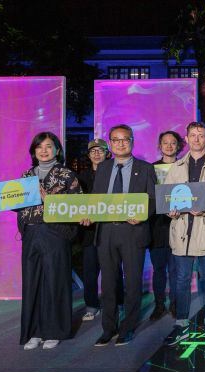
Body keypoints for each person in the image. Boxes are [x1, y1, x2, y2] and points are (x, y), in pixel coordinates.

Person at [86, 124, 156, 347]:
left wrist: (142, 215)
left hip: (132, 231)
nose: (121, 143)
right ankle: (108, 329)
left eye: (125, 139)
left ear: (132, 141)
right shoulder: (103, 168)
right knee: (108, 283)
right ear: (110, 144)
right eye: (116, 140)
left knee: (133, 282)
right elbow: (95, 199)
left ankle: (128, 328)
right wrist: (89, 215)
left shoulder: (145, 168)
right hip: (106, 231)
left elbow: (153, 199)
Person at [163, 122, 205, 346]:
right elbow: (167, 199)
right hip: (182, 231)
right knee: (181, 280)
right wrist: (170, 211)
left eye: (201, 135)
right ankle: (181, 323)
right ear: (186, 138)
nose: (196, 139)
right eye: (192, 135)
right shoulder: (176, 167)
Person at [18, 132, 82, 350]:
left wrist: (49, 200)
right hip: (31, 233)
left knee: (55, 281)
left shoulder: (67, 175)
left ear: (57, 150)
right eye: (39, 147)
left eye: (48, 146)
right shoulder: (27, 175)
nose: (43, 151)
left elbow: (77, 206)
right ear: (34, 151)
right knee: (32, 282)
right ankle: (34, 332)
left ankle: (54, 331)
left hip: (55, 232)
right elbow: (19, 203)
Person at [76, 138, 117, 321]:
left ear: (107, 153)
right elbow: (76, 203)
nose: (97, 153)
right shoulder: (81, 177)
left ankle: (118, 302)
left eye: (100, 150)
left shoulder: (115, 173)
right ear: (89, 155)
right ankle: (92, 306)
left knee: (114, 270)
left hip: (111, 228)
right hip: (89, 231)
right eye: (93, 151)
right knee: (90, 271)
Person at [149, 130, 184, 321]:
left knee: (176, 270)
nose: (169, 146)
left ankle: (176, 304)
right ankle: (159, 305)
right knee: (159, 269)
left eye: (173, 143)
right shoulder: (151, 169)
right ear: (159, 146)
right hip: (157, 226)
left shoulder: (184, 167)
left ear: (178, 146)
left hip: (179, 223)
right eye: (165, 142)